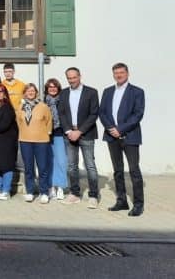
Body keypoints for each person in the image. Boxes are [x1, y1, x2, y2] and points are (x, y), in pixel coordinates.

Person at [100, 63, 145, 217]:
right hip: (112, 137)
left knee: (134, 170)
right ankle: (122, 201)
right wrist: (111, 128)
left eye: (121, 72)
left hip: (130, 136)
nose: (119, 75)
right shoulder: (107, 91)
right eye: (116, 73)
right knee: (118, 171)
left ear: (127, 73)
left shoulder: (137, 92)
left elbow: (138, 114)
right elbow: (102, 113)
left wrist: (120, 129)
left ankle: (138, 204)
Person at [57, 67, 101, 209]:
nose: (72, 80)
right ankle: (74, 193)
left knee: (90, 165)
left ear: (80, 76)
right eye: (69, 78)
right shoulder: (63, 93)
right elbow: (61, 113)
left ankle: (93, 195)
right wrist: (69, 131)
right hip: (69, 134)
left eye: (74, 77)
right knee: (71, 166)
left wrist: (80, 131)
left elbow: (94, 114)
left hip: (86, 134)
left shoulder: (91, 92)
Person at [16, 83, 53, 204]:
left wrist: (47, 133)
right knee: (28, 168)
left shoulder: (43, 106)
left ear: (36, 92)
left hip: (41, 141)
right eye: (28, 91)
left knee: (42, 167)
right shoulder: (20, 106)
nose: (30, 93)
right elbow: (18, 121)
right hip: (25, 140)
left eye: (32, 90)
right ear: (25, 93)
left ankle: (44, 192)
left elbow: (49, 121)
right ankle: (30, 191)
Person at [44, 78, 68, 201]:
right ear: (47, 89)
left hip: (59, 133)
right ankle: (51, 186)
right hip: (45, 135)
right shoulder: (43, 101)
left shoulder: (63, 100)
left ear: (58, 88)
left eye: (55, 87)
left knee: (61, 161)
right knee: (49, 161)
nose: (52, 89)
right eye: (50, 87)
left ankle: (61, 187)